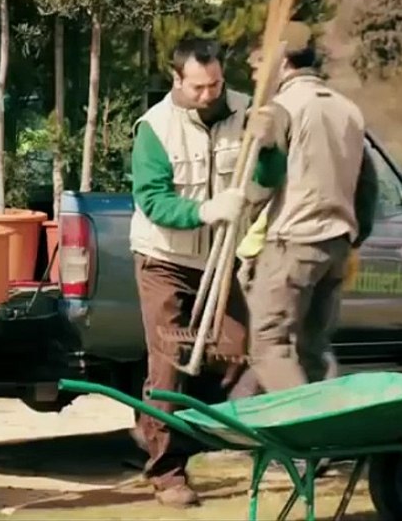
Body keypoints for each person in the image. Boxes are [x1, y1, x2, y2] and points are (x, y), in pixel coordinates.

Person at [128, 38, 282, 509]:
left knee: (237, 352)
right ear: (176, 79)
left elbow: (272, 176)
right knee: (170, 361)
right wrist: (206, 210)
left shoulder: (247, 111)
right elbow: (152, 201)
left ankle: (158, 425)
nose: (209, 94)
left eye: (215, 84)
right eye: (198, 87)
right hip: (164, 259)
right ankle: (167, 473)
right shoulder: (155, 128)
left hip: (220, 258)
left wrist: (270, 145)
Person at [236, 36, 377, 394]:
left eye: (260, 64)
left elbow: (265, 181)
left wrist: (242, 221)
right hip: (336, 244)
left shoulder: (280, 109)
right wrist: (356, 235)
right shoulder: (349, 110)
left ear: (283, 62)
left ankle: (303, 423)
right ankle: (331, 423)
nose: (256, 73)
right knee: (312, 349)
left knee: (270, 345)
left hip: (292, 241)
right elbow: (367, 183)